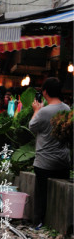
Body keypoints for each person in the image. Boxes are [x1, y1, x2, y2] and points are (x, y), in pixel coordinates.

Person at [29, 77, 71, 229]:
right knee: (60, 196)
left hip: (44, 163)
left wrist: (36, 111)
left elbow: (32, 127)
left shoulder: (44, 111)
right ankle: (57, 225)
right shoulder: (67, 109)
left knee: (41, 195)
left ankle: (39, 222)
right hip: (63, 161)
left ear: (45, 92)